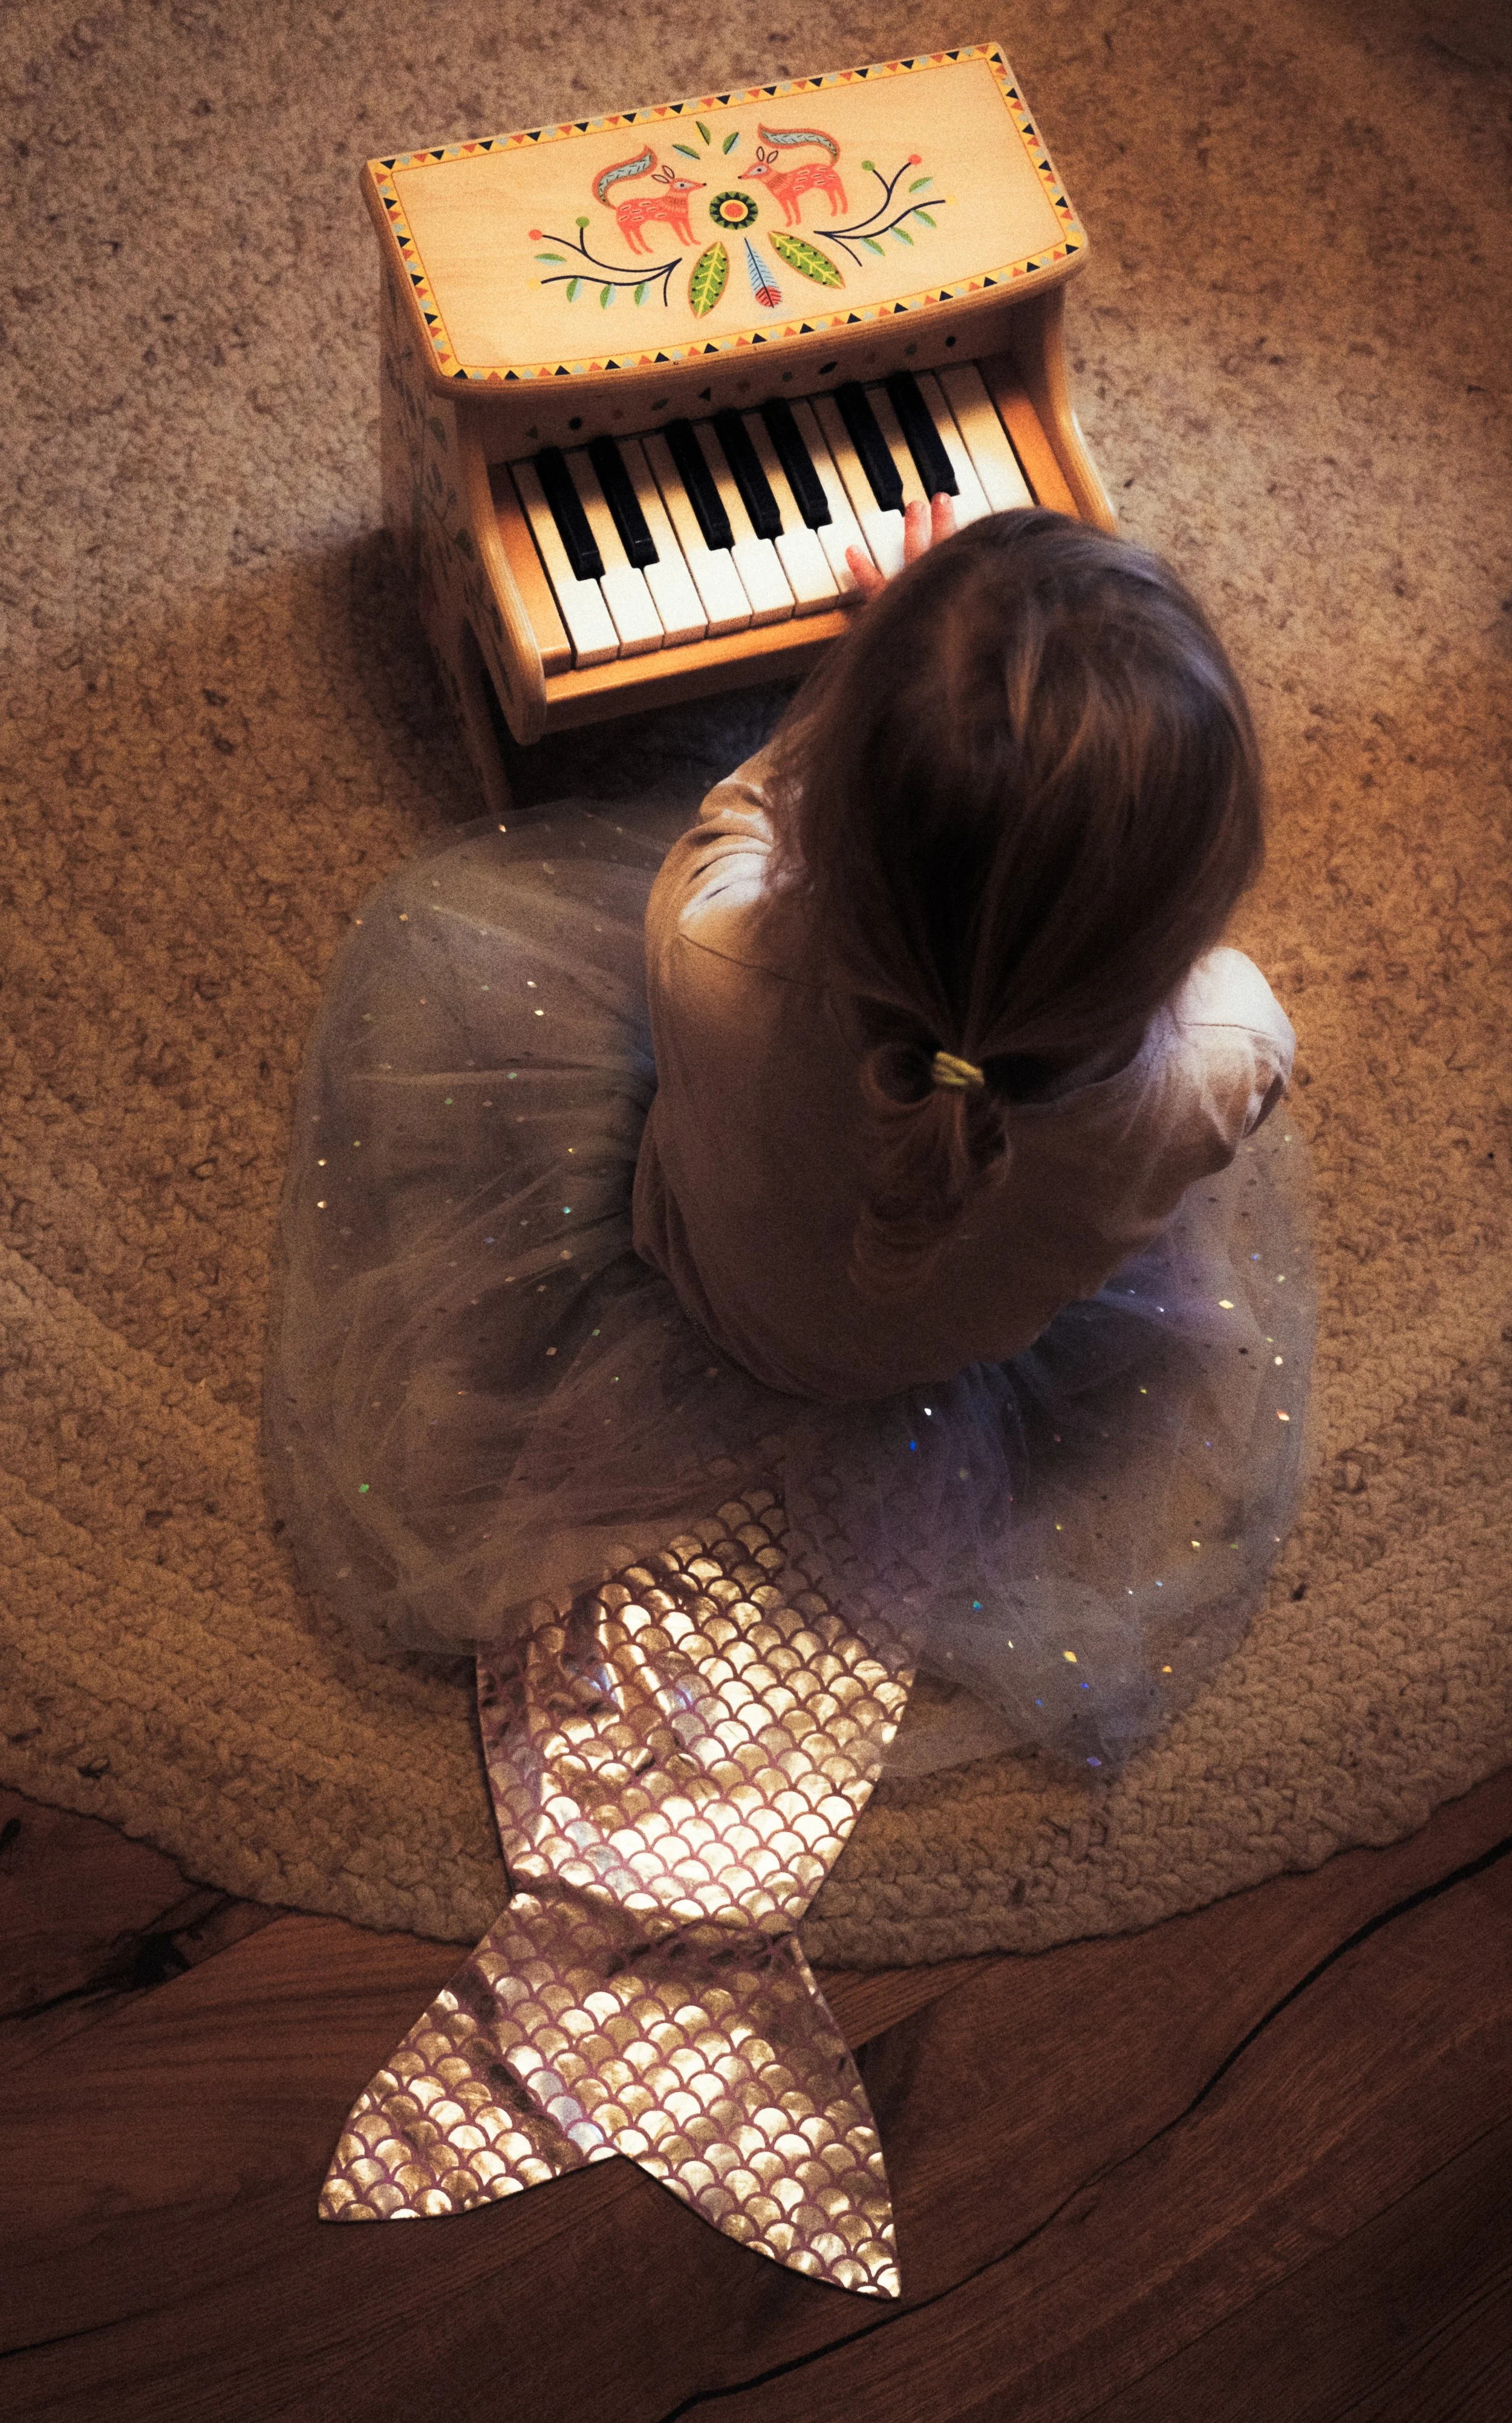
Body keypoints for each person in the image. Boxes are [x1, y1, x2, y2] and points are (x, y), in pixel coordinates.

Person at [266, 501, 1312, 1771]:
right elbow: (1198, 996)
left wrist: (866, 669)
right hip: (960, 1344)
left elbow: (752, 809)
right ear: (1186, 910)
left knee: (471, 953)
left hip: (702, 1289)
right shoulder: (1229, 1059)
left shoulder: (711, 950)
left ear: (836, 829)